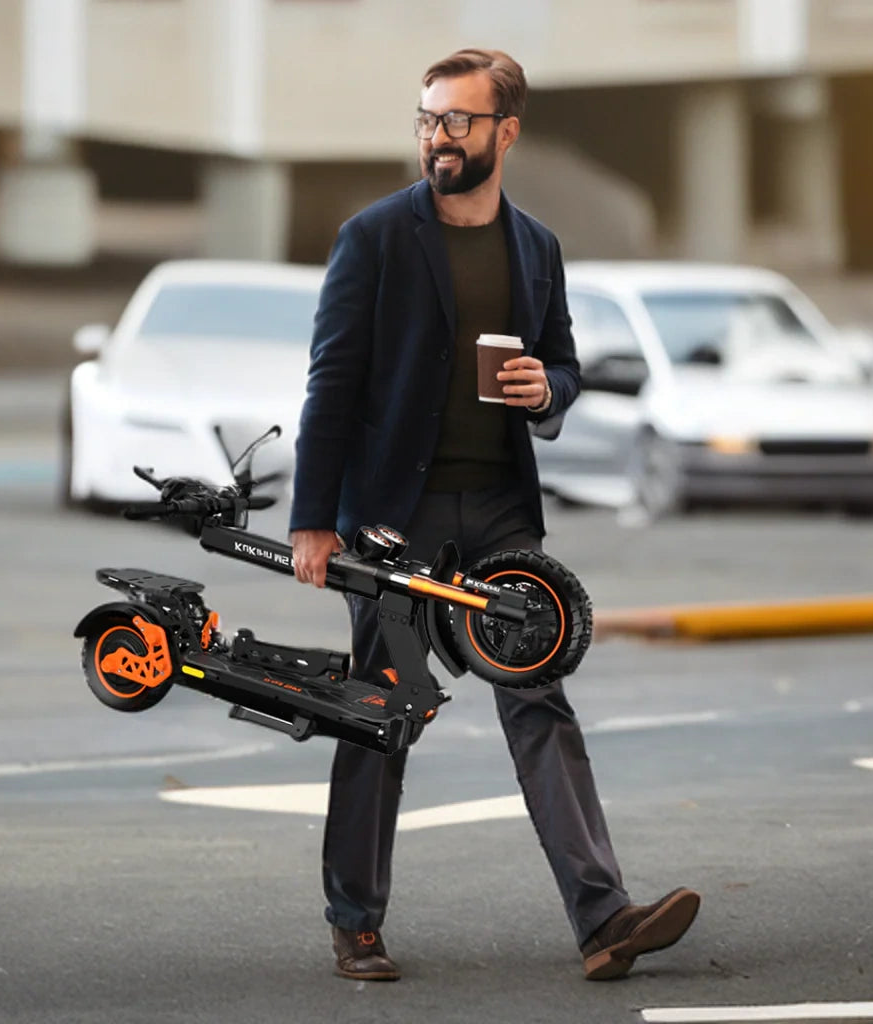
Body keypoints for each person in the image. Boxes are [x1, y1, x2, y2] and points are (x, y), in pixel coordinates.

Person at [289, 47, 700, 983]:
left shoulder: (536, 246)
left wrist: (543, 389)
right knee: (381, 706)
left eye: (457, 121)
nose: (437, 136)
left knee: (538, 695)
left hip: (503, 514)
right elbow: (331, 382)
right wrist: (314, 520)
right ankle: (356, 920)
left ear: (505, 133)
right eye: (428, 119)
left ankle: (604, 919)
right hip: (397, 518)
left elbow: (565, 366)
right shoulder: (374, 238)